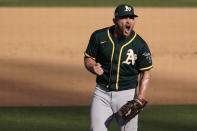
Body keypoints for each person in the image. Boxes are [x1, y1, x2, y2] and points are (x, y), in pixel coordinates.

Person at [84, 4, 153, 131]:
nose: (129, 21)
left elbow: (146, 73)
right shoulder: (99, 36)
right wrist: (92, 66)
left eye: (131, 18)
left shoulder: (140, 44)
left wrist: (140, 98)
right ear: (115, 20)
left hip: (127, 96)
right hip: (102, 94)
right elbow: (88, 58)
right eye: (124, 18)